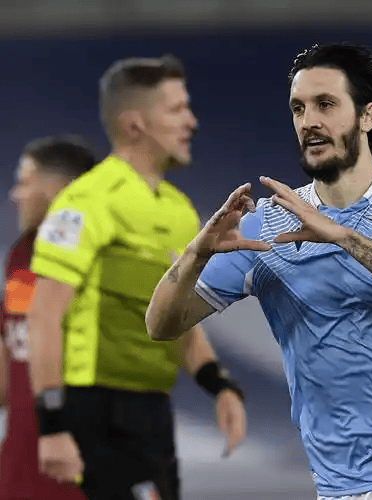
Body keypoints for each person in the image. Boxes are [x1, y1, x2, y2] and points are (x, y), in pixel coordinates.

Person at [145, 43, 372, 500]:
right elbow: (161, 325)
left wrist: (342, 235)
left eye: (326, 104)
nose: (309, 120)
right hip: (343, 483)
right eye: (299, 108)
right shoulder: (268, 225)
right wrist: (196, 254)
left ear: (367, 116)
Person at [25, 55, 247, 500]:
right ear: (134, 125)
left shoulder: (180, 211)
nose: (191, 122)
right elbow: (44, 314)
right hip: (95, 409)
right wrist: (51, 426)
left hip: (152, 411)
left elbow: (177, 318)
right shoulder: (87, 201)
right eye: (177, 109)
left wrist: (220, 386)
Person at [1, 136, 96, 500]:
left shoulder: (105, 262)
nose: (15, 194)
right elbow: (11, 355)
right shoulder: (20, 257)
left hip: (86, 472)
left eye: (25, 182)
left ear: (58, 189)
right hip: (19, 473)